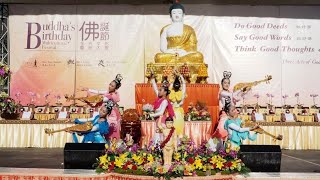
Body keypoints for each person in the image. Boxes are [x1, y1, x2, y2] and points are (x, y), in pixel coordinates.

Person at [82, 74, 122, 139]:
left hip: (112, 115)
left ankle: (111, 147)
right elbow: (99, 92)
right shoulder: (109, 92)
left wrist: (88, 100)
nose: (110, 86)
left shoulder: (113, 95)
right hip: (107, 113)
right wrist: (88, 89)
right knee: (104, 132)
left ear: (115, 88)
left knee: (111, 133)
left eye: (112, 86)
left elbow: (101, 100)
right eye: (110, 84)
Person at [148, 73, 175, 145]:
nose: (159, 91)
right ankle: (157, 149)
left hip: (161, 120)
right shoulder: (159, 99)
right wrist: (152, 79)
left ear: (165, 92)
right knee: (157, 133)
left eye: (161, 90)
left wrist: (151, 115)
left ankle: (160, 149)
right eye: (159, 90)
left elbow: (161, 112)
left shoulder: (165, 101)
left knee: (160, 135)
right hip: (157, 119)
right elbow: (155, 89)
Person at [169, 70, 186, 138]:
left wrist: (180, 76)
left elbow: (184, 85)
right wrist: (177, 76)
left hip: (178, 113)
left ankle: (179, 145)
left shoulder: (181, 93)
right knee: (171, 130)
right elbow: (184, 85)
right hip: (172, 112)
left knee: (179, 130)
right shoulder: (171, 92)